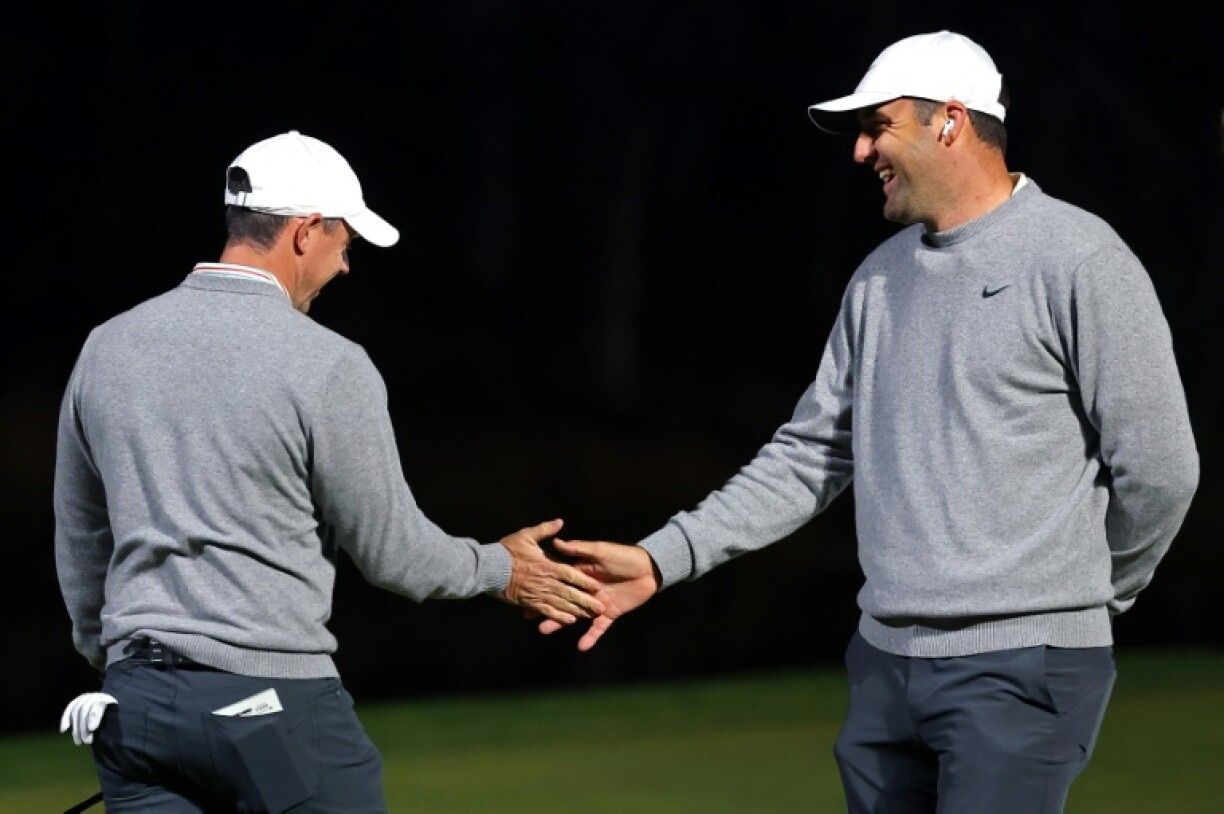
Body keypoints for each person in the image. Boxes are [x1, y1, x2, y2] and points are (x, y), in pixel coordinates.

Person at [540, 30, 1199, 813]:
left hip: (1023, 665)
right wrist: (661, 559)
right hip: (883, 666)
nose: (860, 152)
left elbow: (1160, 470)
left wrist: (1084, 597)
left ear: (950, 122)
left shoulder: (1081, 259)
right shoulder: (879, 280)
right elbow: (808, 455)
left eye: (877, 126)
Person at [53, 129, 603, 813]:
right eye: (346, 245)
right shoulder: (328, 364)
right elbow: (394, 555)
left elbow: (80, 538)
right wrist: (502, 569)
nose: (346, 267)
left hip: (131, 710)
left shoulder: (107, 347)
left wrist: (117, 665)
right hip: (271, 708)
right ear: (306, 231)